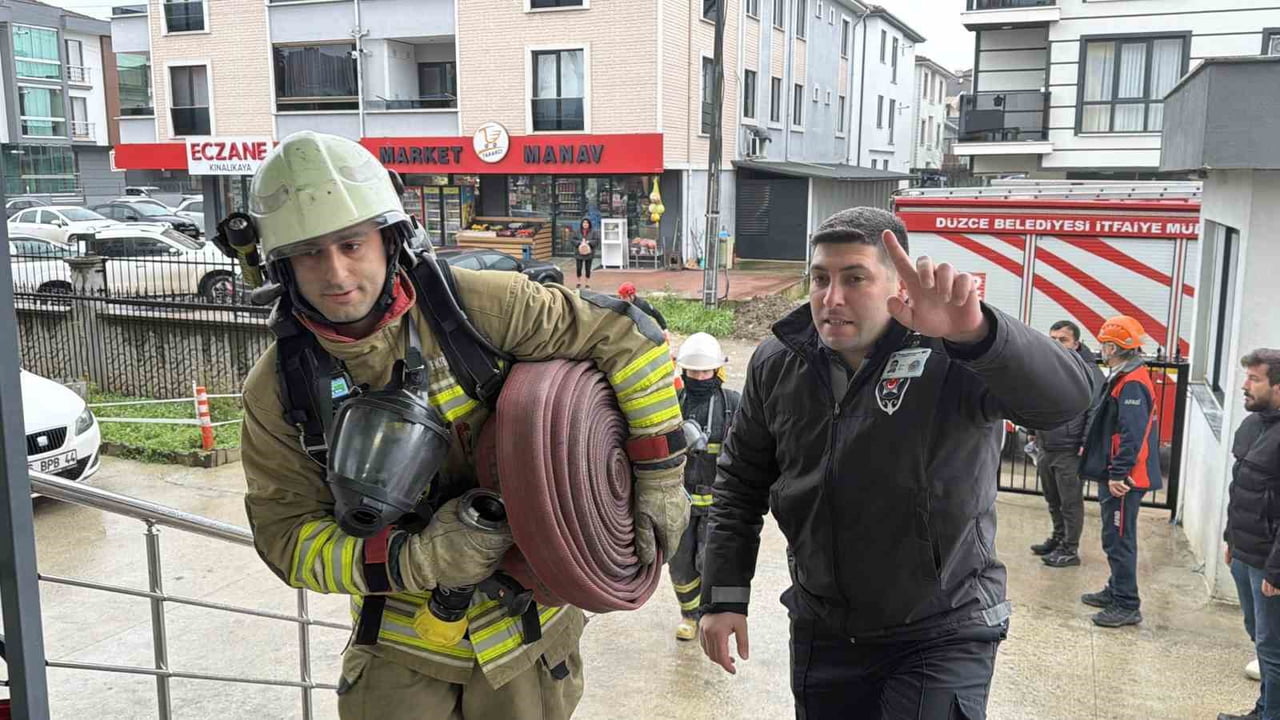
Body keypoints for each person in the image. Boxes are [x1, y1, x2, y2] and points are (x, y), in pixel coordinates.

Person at [237, 131, 689, 720]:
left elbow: (631, 340)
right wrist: (418, 559)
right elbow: (288, 539)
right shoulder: (279, 390)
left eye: (352, 244)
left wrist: (659, 476)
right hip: (400, 650)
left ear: (389, 238)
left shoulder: (478, 309)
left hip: (531, 637)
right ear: (280, 265)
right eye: (309, 253)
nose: (336, 272)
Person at [698, 207, 1094, 718]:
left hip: (941, 630)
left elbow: (1067, 400)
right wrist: (725, 595)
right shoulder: (780, 360)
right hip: (825, 629)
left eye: (855, 278)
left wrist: (976, 334)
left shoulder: (951, 350)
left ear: (898, 285)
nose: (831, 298)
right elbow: (740, 482)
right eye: (820, 278)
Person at [1078, 315, 1162, 628]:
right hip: (1119, 476)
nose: (1101, 347)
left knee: (1120, 540)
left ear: (1113, 346)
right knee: (1113, 536)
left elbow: (1133, 435)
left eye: (1104, 343)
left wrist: (1119, 475)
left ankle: (1127, 604)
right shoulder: (1125, 375)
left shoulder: (1133, 382)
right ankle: (1116, 589)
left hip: (1125, 481)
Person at [1219, 349, 1280, 720]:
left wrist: (1276, 570)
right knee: (1258, 635)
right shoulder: (1253, 424)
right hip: (1244, 552)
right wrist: (1230, 539)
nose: (1244, 385)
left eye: (1254, 379)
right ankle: (1263, 709)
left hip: (1269, 564)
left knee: (1273, 649)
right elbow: (1240, 488)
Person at [669, 332, 741, 641]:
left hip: (717, 502)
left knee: (711, 561)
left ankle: (715, 616)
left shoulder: (732, 404)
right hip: (680, 502)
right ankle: (689, 615)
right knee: (681, 564)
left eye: (705, 371)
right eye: (693, 371)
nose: (699, 377)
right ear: (683, 371)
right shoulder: (673, 403)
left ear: (718, 370)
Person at [1030, 320, 1105, 568]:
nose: (1056, 344)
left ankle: (1070, 549)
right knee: (1052, 498)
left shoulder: (1089, 372)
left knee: (1070, 502)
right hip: (1046, 445)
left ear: (1076, 343)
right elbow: (1037, 398)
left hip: (1070, 449)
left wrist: (1085, 443)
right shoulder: (1048, 366)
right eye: (1052, 339)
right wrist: (1032, 431)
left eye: (1062, 340)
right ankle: (1058, 538)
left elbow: (1094, 410)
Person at [575, 217, 595, 290]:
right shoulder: (577, 231)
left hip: (589, 253)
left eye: (587, 223)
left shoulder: (593, 232)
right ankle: (578, 282)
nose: (585, 224)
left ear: (589, 224)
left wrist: (589, 242)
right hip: (579, 253)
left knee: (588, 268)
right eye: (584, 223)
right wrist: (579, 243)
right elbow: (573, 239)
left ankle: (587, 283)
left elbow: (596, 240)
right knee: (579, 268)